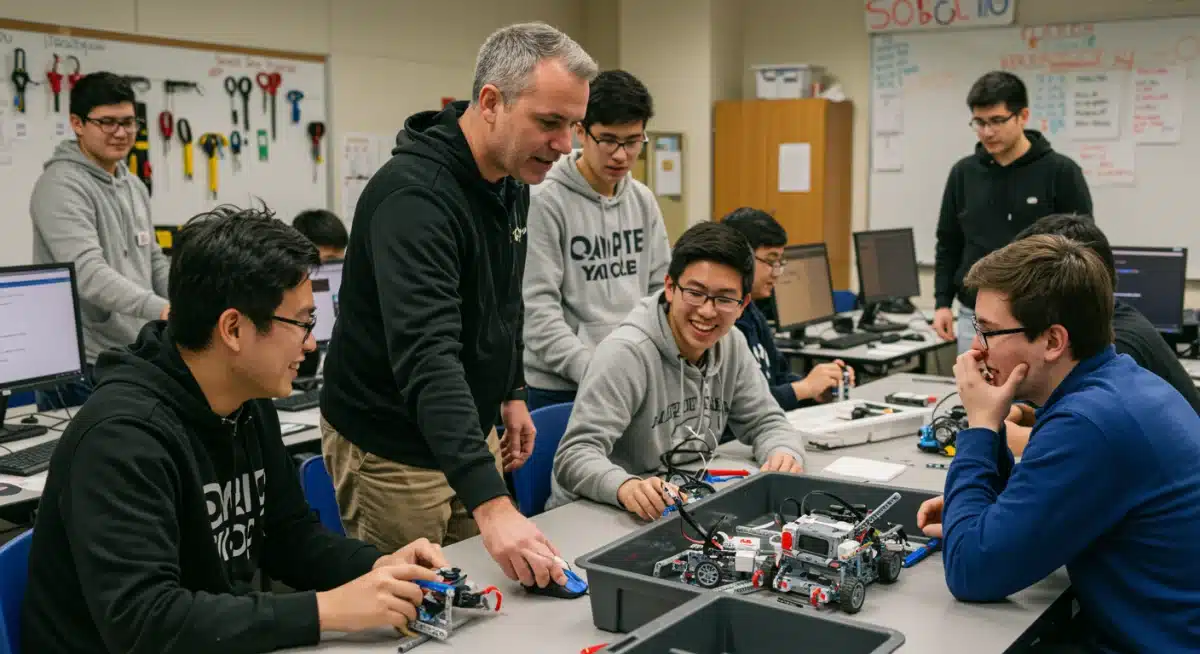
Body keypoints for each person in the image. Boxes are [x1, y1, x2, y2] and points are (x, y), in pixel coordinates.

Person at [22, 206, 453, 653]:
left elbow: (289, 537)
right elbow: (143, 621)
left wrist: (379, 566)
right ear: (232, 329)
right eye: (302, 322)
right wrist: (326, 610)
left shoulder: (246, 401)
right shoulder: (123, 439)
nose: (310, 342)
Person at [319, 22, 597, 589]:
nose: (566, 145)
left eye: (573, 125)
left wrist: (512, 391)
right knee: (417, 610)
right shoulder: (414, 199)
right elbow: (427, 355)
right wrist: (493, 504)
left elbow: (503, 303)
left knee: (489, 595)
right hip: (392, 445)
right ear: (491, 102)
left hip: (467, 427)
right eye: (549, 123)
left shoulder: (510, 181)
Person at [914, 235, 1200, 653]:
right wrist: (975, 511)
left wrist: (980, 424)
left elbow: (969, 571)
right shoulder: (1117, 383)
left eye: (989, 332)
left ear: (1052, 342)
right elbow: (1025, 510)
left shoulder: (1089, 423)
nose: (977, 349)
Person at [547, 221, 808, 520]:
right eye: (695, 293)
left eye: (724, 299)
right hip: (595, 514)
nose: (707, 311)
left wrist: (783, 453)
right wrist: (626, 486)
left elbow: (766, 422)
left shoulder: (732, 343)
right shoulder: (626, 353)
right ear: (670, 288)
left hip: (679, 504)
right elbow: (573, 456)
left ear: (742, 305)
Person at [522, 69, 671, 412]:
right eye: (608, 139)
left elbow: (660, 292)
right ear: (580, 132)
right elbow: (538, 311)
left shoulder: (643, 200)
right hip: (561, 387)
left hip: (632, 378)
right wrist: (596, 370)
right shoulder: (545, 201)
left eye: (633, 141)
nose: (621, 155)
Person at [1000, 214, 1200, 455]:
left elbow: (1080, 440)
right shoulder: (1111, 320)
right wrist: (1025, 411)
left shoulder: (1118, 347)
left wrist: (994, 433)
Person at [30, 71, 170, 410]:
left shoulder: (132, 184)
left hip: (132, 353)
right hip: (83, 367)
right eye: (107, 122)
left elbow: (153, 260)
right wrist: (163, 308)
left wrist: (188, 299)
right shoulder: (60, 186)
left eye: (128, 122)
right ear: (78, 124)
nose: (121, 133)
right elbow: (88, 274)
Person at [932, 70, 1092, 353]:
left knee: (1036, 398)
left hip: (1040, 321)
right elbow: (948, 242)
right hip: (975, 316)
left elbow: (1083, 249)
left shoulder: (1061, 172)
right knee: (976, 394)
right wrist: (942, 303)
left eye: (997, 121)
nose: (987, 132)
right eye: (979, 122)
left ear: (1023, 116)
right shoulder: (963, 173)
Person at [722, 207, 855, 413]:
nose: (777, 272)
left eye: (780, 262)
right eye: (770, 260)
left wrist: (816, 389)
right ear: (739, 258)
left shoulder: (752, 312)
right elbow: (739, 408)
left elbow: (778, 378)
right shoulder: (720, 326)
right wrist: (804, 388)